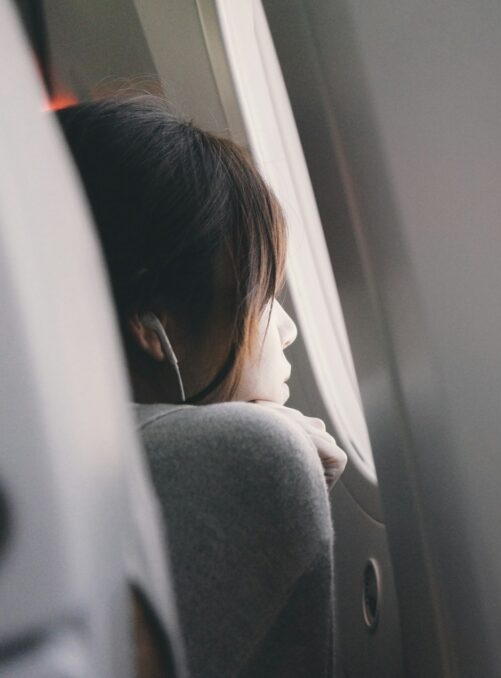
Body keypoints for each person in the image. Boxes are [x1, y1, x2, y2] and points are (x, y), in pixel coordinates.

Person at [58, 96, 346, 677]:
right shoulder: (251, 456)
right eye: (261, 297)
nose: (286, 330)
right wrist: (260, 446)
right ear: (148, 324)